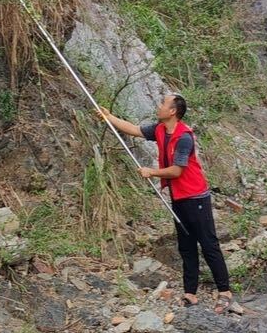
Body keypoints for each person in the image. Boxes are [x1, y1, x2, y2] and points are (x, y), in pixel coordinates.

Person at [99, 94, 233, 313]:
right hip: (178, 198)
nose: (158, 106)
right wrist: (109, 117)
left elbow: (177, 171)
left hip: (196, 197)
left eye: (163, 103)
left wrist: (151, 172)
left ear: (172, 111)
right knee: (186, 246)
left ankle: (225, 292)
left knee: (208, 245)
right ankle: (190, 293)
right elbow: (134, 129)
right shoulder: (160, 129)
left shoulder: (184, 138)